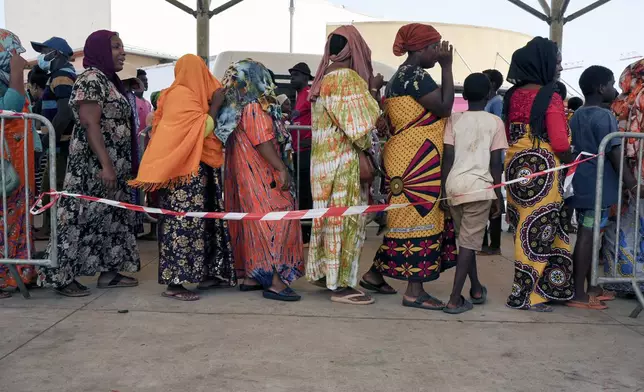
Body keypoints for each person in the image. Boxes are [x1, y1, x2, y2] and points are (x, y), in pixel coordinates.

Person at [38, 30, 141, 296]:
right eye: (116, 47)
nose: (122, 52)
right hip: (92, 166)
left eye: (122, 46)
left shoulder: (110, 81)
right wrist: (105, 164)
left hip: (113, 165)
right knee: (77, 219)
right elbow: (89, 122)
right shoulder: (91, 79)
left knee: (112, 216)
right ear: (100, 50)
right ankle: (61, 277)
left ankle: (110, 271)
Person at [361, 23, 456, 309]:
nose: (438, 53)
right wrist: (447, 67)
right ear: (422, 49)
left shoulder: (399, 77)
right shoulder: (416, 76)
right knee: (417, 219)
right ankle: (414, 291)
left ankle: (375, 275)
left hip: (407, 156)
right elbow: (445, 107)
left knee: (403, 220)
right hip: (416, 160)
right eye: (435, 48)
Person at [130, 54, 234, 301]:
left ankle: (206, 273)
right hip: (182, 175)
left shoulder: (193, 96)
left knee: (201, 224)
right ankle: (174, 284)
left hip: (197, 169)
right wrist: (216, 107)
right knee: (182, 226)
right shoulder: (181, 95)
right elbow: (202, 128)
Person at [306, 26, 383, 304]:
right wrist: (373, 90)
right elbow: (361, 127)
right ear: (354, 49)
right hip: (342, 164)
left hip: (323, 164)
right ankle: (339, 285)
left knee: (327, 221)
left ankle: (327, 275)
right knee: (346, 222)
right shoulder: (345, 78)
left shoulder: (324, 76)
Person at [218, 59, 304, 301]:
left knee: (253, 223)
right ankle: (275, 281)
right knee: (275, 222)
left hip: (245, 178)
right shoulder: (254, 107)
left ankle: (252, 275)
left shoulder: (233, 108)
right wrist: (281, 168)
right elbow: (263, 141)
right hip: (262, 175)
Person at [503, 37, 574, 312]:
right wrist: (570, 158)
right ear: (543, 63)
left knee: (525, 228)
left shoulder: (512, 94)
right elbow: (559, 141)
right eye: (556, 61)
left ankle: (543, 288)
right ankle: (526, 295)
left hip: (516, 168)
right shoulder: (550, 96)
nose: (560, 66)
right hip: (544, 169)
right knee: (538, 231)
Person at [566, 65, 639, 309]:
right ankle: (579, 293)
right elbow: (615, 152)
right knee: (587, 236)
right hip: (595, 186)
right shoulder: (604, 116)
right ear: (601, 88)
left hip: (581, 182)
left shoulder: (578, 114)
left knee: (590, 235)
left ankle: (593, 286)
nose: (615, 89)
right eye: (611, 85)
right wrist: (633, 184)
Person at [442, 73, 508, 313]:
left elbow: (447, 158)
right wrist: (498, 195)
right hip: (480, 189)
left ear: (465, 95)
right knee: (469, 244)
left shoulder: (454, 119)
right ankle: (454, 298)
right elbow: (496, 164)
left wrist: (443, 191)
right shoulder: (495, 122)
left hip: (455, 188)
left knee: (466, 243)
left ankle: (477, 288)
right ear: (491, 93)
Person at [0, 29, 38, 298]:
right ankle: (5, 276)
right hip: (6, 166)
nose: (18, 59)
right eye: (12, 53)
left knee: (19, 216)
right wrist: (16, 73)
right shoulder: (9, 80)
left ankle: (21, 272)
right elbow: (11, 108)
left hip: (19, 163)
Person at [603, 59, 644, 296]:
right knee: (634, 223)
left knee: (621, 223)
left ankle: (619, 277)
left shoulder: (620, 102)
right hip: (636, 173)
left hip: (620, 173)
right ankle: (633, 278)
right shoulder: (637, 99)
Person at [30, 36, 77, 240]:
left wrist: (51, 140)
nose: (41, 56)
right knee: (49, 187)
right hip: (58, 142)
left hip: (59, 144)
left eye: (44, 51)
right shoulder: (60, 75)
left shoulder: (62, 76)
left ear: (56, 53)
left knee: (53, 185)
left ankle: (52, 230)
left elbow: (65, 112)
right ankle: (48, 227)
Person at [480, 69, 505, 255]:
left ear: (494, 84)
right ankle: (485, 241)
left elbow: (498, 125)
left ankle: (494, 244)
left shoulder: (497, 102)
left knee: (493, 195)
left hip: (492, 156)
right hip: (484, 156)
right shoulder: (488, 102)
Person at [289, 62, 314, 246]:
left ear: (305, 77)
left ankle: (307, 233)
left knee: (306, 192)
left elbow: (318, 117)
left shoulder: (309, 95)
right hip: (298, 150)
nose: (292, 79)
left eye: (295, 75)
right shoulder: (298, 97)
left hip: (307, 151)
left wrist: (312, 137)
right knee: (300, 191)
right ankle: (304, 230)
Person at [135, 69, 152, 136]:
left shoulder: (148, 103)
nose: (146, 82)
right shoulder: (132, 101)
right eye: (142, 80)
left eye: (146, 80)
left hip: (146, 142)